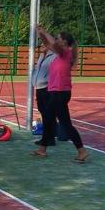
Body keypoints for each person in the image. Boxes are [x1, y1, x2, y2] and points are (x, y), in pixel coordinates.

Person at [34, 26, 87, 162]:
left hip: (60, 93)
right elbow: (48, 44)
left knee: (65, 123)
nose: (56, 40)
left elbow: (52, 43)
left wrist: (44, 32)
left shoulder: (65, 53)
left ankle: (81, 150)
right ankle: (42, 149)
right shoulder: (60, 54)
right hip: (56, 92)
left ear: (64, 42)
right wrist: (41, 34)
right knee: (48, 119)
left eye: (58, 38)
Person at [31, 42, 55, 145]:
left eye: (43, 45)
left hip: (47, 88)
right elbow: (38, 70)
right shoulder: (42, 56)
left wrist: (46, 81)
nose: (41, 47)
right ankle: (46, 137)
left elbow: (54, 73)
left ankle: (50, 138)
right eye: (41, 45)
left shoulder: (53, 56)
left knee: (48, 114)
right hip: (39, 88)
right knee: (43, 113)